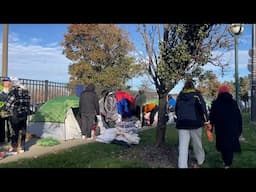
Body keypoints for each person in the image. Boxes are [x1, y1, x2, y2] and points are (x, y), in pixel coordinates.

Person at [175, 79, 208, 168]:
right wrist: (206, 120)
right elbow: (203, 108)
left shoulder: (180, 96)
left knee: (182, 146)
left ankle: (182, 165)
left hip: (182, 123)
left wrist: (179, 118)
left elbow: (176, 109)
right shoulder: (197, 95)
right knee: (197, 143)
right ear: (193, 86)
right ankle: (200, 160)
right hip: (195, 122)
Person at [209, 84, 242, 169]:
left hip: (221, 128)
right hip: (232, 128)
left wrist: (210, 128)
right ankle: (228, 163)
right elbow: (238, 116)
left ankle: (225, 161)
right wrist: (239, 129)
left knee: (223, 144)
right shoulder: (233, 102)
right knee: (230, 145)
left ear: (219, 92)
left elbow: (212, 116)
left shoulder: (216, 103)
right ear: (228, 92)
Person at [4, 77, 31, 153]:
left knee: (14, 131)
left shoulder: (13, 92)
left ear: (13, 83)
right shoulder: (26, 92)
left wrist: (6, 110)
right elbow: (28, 103)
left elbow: (8, 104)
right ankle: (22, 147)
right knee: (23, 131)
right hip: (24, 114)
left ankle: (14, 148)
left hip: (15, 114)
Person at [0, 77, 12, 143]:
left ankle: (10, 139)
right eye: (4, 81)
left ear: (9, 82)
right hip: (2, 110)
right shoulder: (1, 90)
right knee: (1, 126)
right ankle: (2, 140)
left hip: (10, 110)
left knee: (10, 125)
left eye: (7, 81)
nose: (6, 82)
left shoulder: (12, 91)